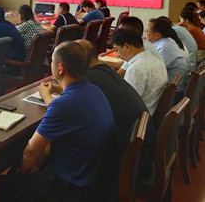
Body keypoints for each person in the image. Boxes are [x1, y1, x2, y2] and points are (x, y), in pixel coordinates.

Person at [15, 42, 115, 202]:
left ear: (60, 68)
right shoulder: (95, 90)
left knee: (9, 182)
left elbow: (31, 151)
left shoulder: (63, 105)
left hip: (69, 187)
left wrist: (21, 175)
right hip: (93, 178)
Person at [75, 39, 155, 178]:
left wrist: (46, 95)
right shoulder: (106, 71)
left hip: (128, 160)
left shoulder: (89, 79)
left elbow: (68, 106)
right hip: (143, 150)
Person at [111, 28, 167, 114]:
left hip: (138, 117)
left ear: (126, 46)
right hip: (148, 111)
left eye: (116, 50)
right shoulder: (155, 60)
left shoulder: (136, 69)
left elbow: (127, 104)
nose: (117, 56)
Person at [146, 19, 190, 90]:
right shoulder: (167, 41)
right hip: (172, 88)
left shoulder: (165, 47)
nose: (145, 35)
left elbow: (152, 70)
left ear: (157, 35)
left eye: (147, 31)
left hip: (173, 92)